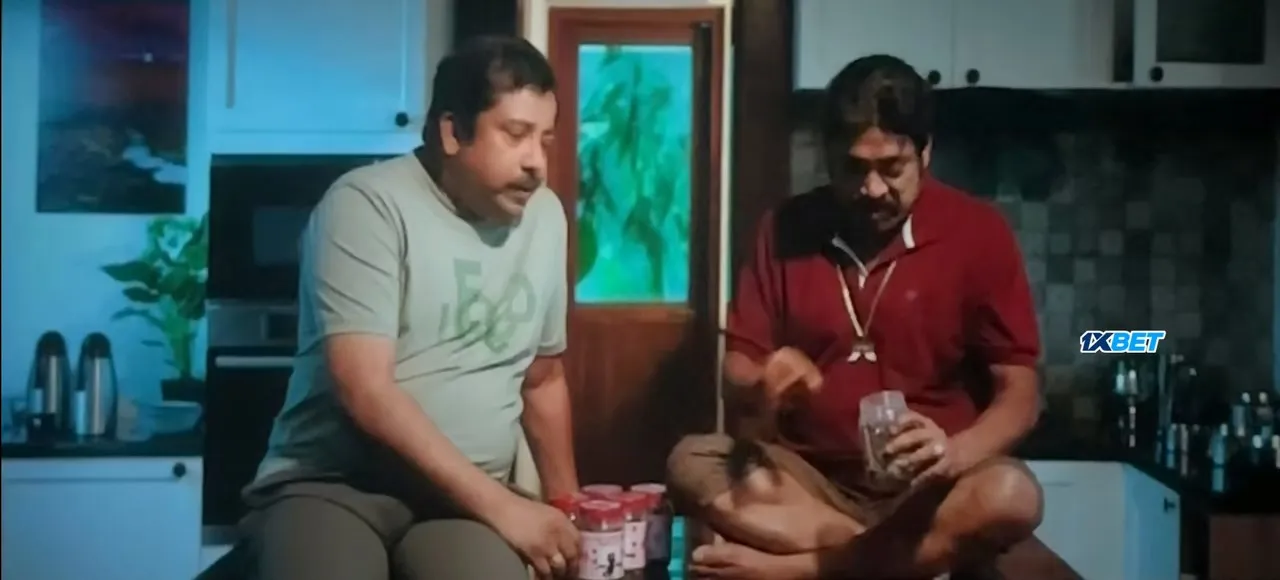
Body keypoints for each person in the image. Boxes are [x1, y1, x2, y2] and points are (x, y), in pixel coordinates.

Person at [667, 54, 1074, 580]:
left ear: (925, 153)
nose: (874, 189)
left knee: (1013, 493)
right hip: (810, 484)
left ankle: (811, 569)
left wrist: (951, 453)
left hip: (933, 491)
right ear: (828, 158)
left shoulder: (979, 232)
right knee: (691, 462)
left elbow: (1021, 394)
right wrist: (763, 380)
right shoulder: (784, 227)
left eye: (892, 168)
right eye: (854, 169)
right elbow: (737, 367)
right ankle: (894, 559)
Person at [238, 36, 580, 580]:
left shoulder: (546, 218)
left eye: (546, 140)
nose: (536, 162)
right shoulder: (367, 204)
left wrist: (568, 514)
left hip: (466, 501)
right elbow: (365, 391)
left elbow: (543, 379)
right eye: (515, 135)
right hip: (338, 487)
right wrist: (505, 509)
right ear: (452, 131)